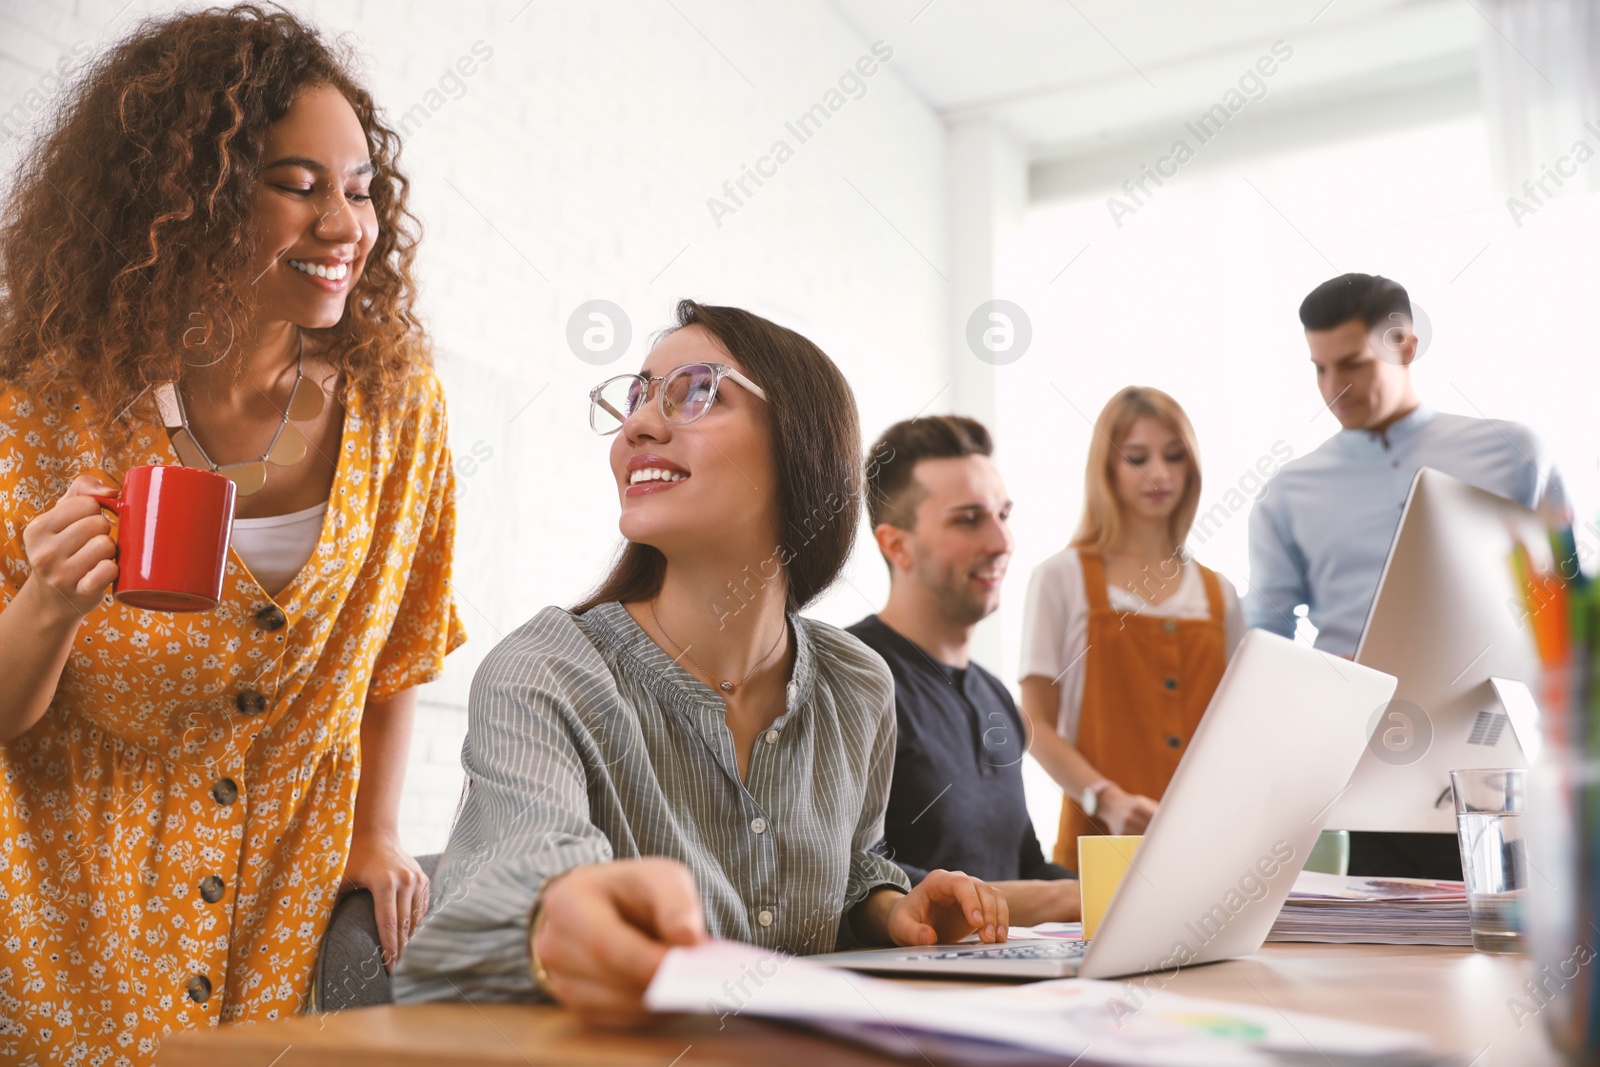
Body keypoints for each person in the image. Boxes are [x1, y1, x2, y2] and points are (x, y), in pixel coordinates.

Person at [0, 7, 464, 1058]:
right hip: (65, 905)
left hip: (285, 894)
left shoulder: (399, 405)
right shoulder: (31, 409)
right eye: (297, 186)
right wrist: (49, 601)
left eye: (359, 189)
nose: (344, 225)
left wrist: (374, 832)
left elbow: (400, 649)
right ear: (184, 196)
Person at [394, 302, 1008, 1024]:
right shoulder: (546, 671)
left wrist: (888, 908)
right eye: (635, 397)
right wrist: (552, 922)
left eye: (694, 390)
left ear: (801, 443)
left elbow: (848, 871)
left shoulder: (859, 683)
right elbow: (511, 883)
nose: (638, 427)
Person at [1245, 272, 1567, 877]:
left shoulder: (1515, 453)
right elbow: (1264, 635)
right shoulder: (1289, 493)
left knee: (1517, 949)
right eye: (1319, 369)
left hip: (1504, 759)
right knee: (1390, 948)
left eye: (1353, 365)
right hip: (1368, 769)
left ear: (1406, 346)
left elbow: (1568, 601)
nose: (1335, 389)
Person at [847, 416, 1080, 925]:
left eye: (1003, 514)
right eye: (969, 519)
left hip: (1006, 982)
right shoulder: (850, 676)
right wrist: (1054, 902)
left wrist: (1141, 884)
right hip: (909, 993)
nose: (1002, 542)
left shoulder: (994, 697)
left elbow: (1026, 866)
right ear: (896, 545)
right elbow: (842, 877)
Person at [1018, 387, 1243, 870]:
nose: (1159, 473)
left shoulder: (1220, 594)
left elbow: (1238, 728)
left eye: (1174, 456)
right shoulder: (1061, 578)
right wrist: (1107, 799)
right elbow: (1034, 722)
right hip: (1099, 849)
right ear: (1108, 468)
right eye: (1137, 457)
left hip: (1208, 851)